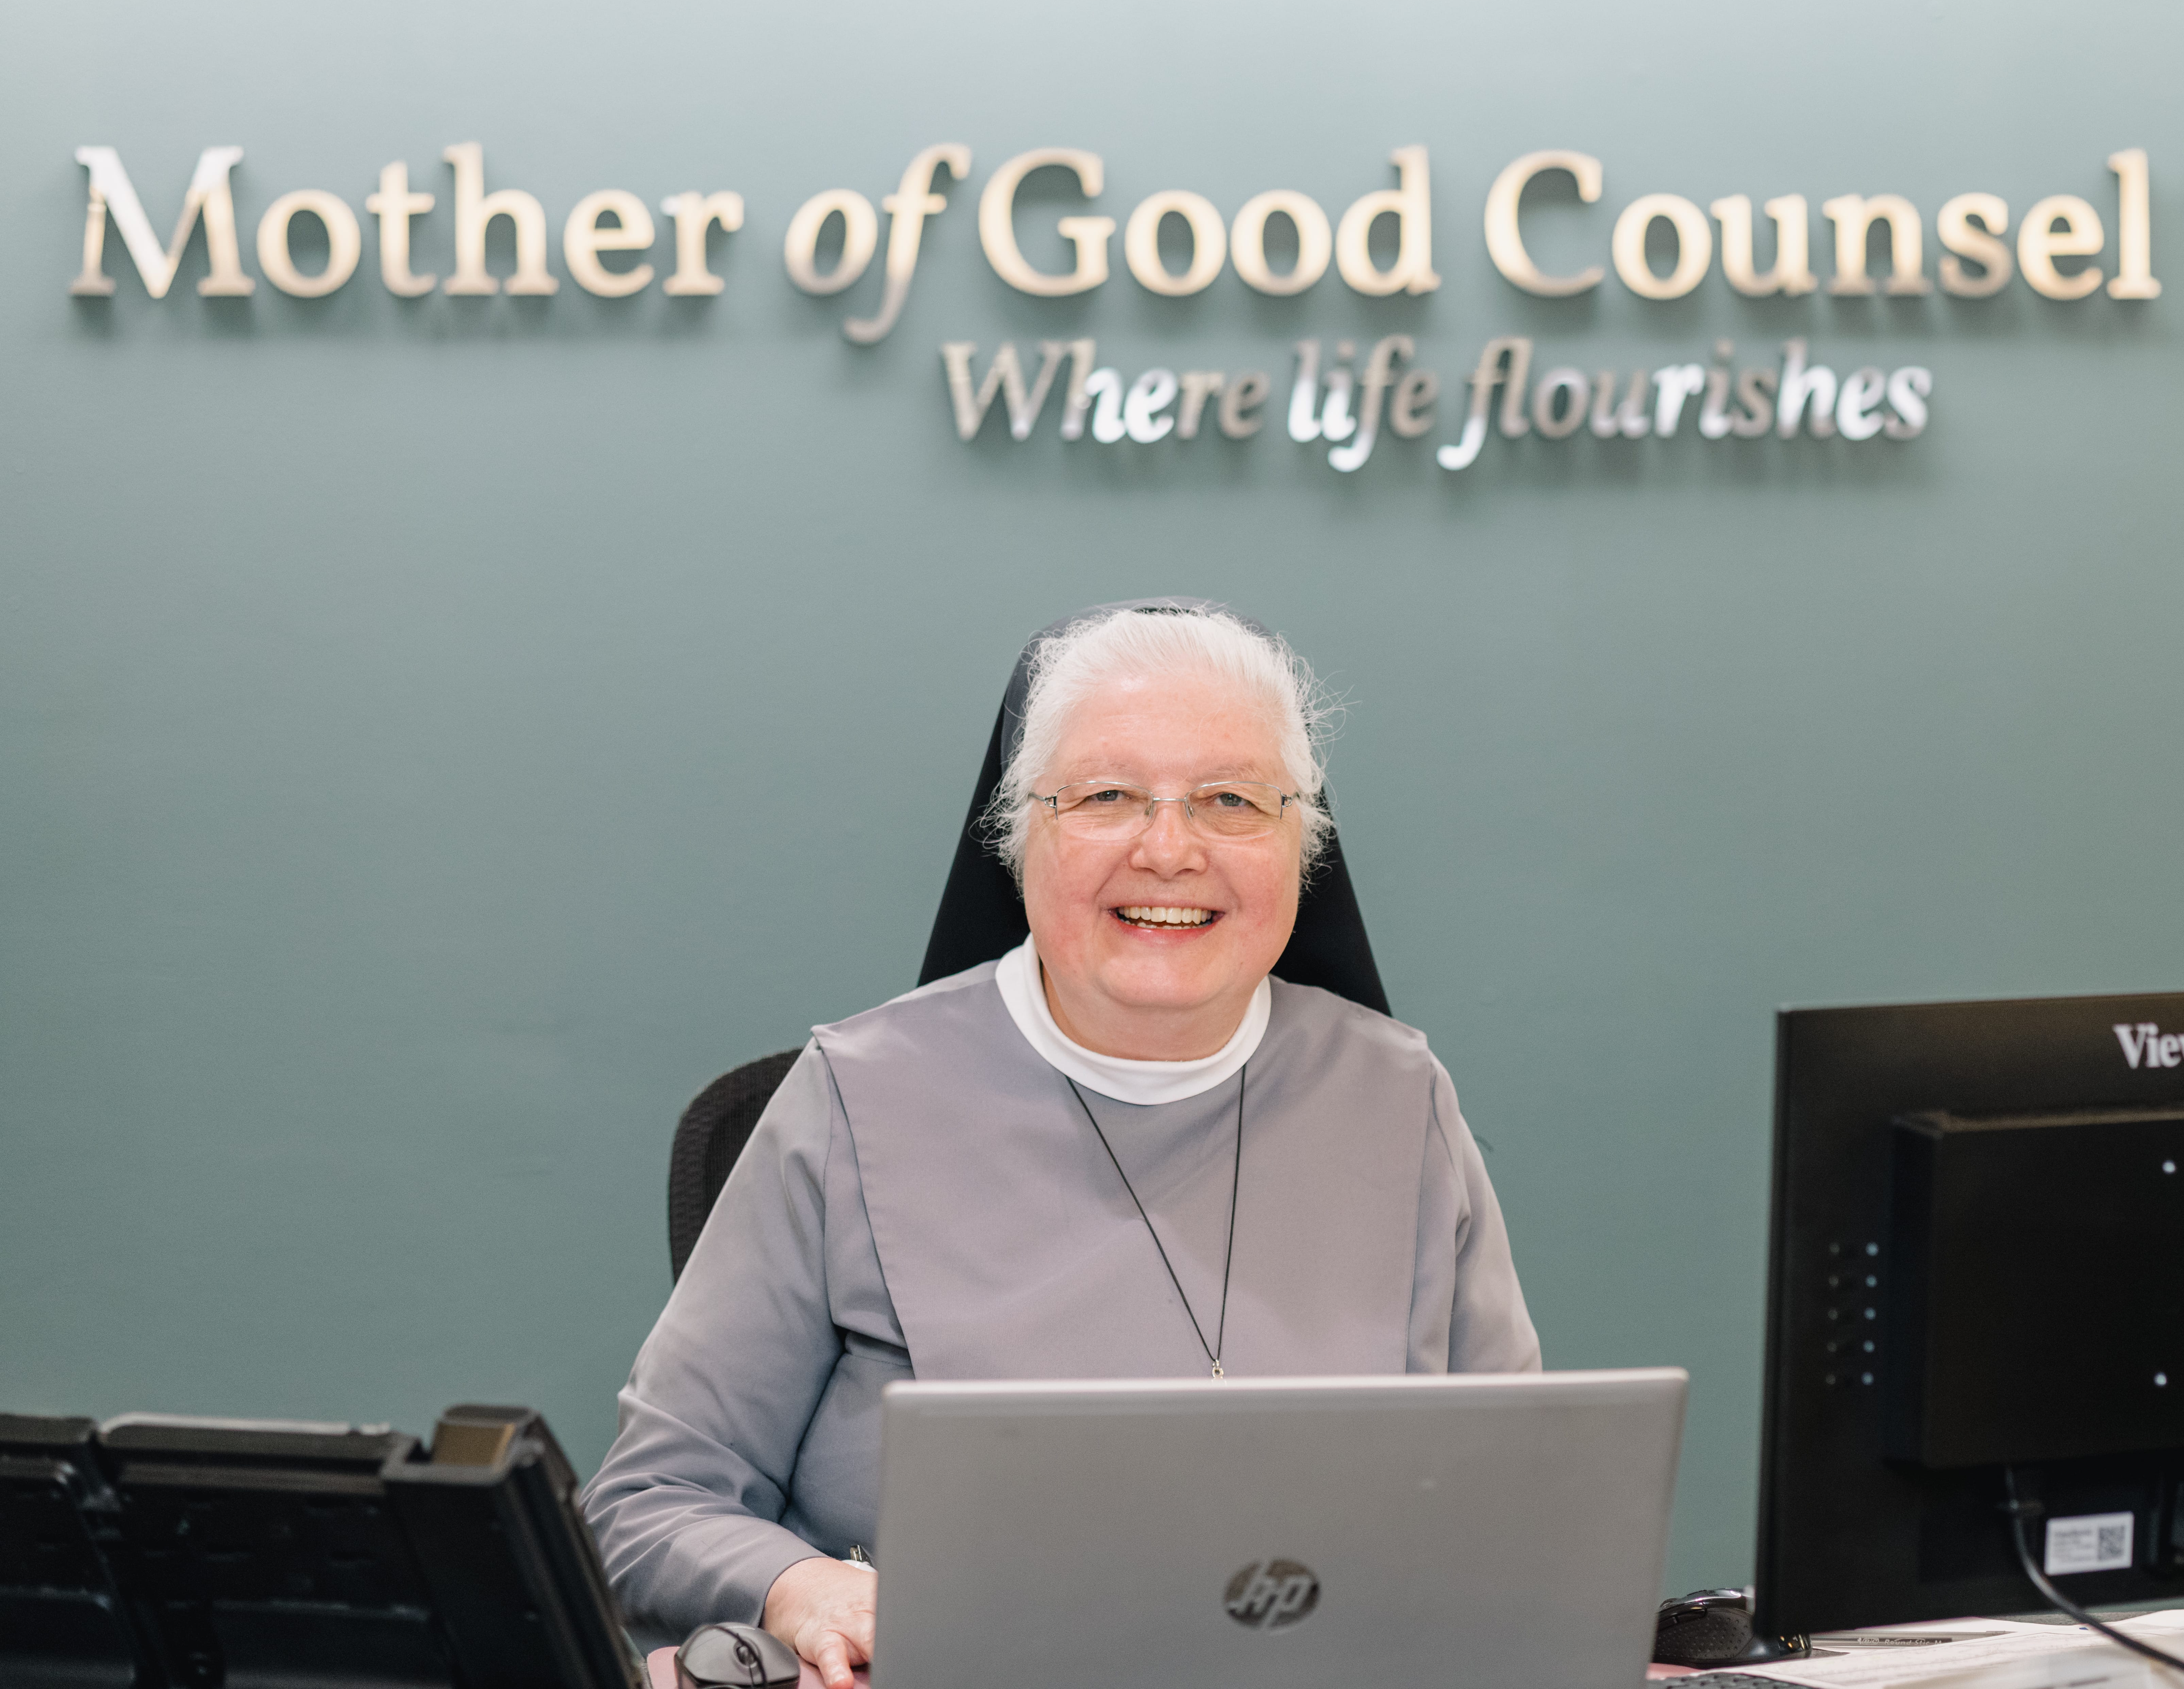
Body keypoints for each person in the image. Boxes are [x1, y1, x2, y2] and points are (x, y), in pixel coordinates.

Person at [580, 602, 1540, 1686]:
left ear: (1298, 840)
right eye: (1106, 796)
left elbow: (1517, 1508)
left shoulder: (1397, 1094)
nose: (1169, 849)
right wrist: (805, 1589)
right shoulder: (853, 1096)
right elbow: (647, 1502)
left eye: (1231, 799)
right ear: (1021, 833)